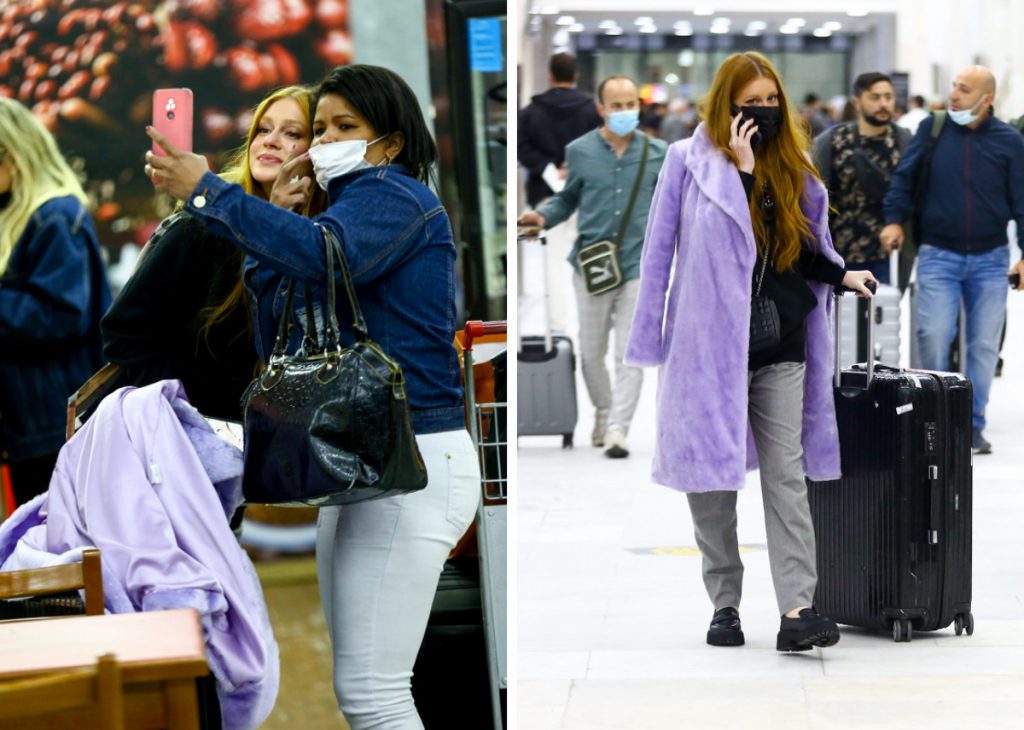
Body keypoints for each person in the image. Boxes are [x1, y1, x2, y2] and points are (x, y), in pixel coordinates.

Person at [143, 64, 481, 730]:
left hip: (410, 461)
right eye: (319, 127)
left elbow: (332, 258)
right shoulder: (343, 210)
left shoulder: (393, 195)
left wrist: (210, 194)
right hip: (365, 467)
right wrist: (278, 218)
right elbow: (276, 325)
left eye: (344, 128)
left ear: (389, 141)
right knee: (364, 687)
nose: (323, 140)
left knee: (374, 692)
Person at [624, 52, 876, 652]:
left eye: (770, 102)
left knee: (785, 473)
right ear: (725, 104)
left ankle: (798, 608)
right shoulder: (687, 161)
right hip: (709, 345)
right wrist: (648, 336)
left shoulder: (794, 165)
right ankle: (725, 604)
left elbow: (802, 246)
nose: (761, 113)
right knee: (711, 479)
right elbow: (658, 252)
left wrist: (843, 275)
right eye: (750, 102)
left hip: (782, 340)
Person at [102, 85, 319, 422]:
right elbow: (124, 334)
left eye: (291, 132)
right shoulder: (201, 226)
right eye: (263, 129)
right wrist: (189, 413)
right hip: (199, 448)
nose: (270, 140)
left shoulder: (324, 235)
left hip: (289, 448)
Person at [517, 75, 667, 458]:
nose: (624, 111)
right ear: (600, 109)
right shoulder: (580, 151)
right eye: (616, 105)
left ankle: (618, 426)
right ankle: (603, 409)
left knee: (628, 352)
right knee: (590, 351)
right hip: (592, 266)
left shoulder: (658, 153)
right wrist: (541, 217)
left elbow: (672, 207)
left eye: (631, 103)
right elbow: (566, 200)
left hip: (638, 266)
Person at [880, 65, 1024, 455]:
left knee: (982, 346)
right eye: (954, 87)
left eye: (964, 89)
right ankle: (935, 421)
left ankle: (971, 425)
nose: (954, 95)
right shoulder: (934, 129)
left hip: (991, 257)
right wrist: (893, 220)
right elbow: (904, 179)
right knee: (933, 336)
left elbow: (1023, 201)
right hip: (938, 254)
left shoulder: (1010, 141)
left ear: (986, 99)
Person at [0, 98, 111, 506]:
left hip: (59, 429)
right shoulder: (22, 215)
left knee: (70, 557)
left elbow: (58, 315)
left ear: (14, 154)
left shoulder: (55, 218)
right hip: (34, 428)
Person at [518, 52, 602, 333]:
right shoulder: (591, 109)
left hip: (546, 195)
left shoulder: (531, 112)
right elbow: (602, 146)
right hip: (587, 195)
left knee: (552, 261)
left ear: (550, 75)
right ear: (575, 76)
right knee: (591, 256)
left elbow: (522, 147)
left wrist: (548, 168)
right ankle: (592, 323)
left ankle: (558, 323)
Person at [812, 72, 912, 287]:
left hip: (888, 253)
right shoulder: (833, 141)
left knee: (884, 316)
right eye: (875, 97)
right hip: (841, 253)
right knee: (842, 318)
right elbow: (815, 195)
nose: (884, 104)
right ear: (857, 102)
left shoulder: (905, 142)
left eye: (888, 97)